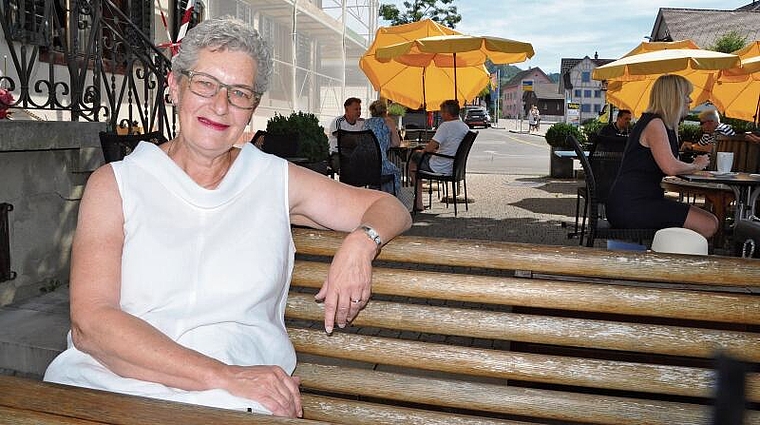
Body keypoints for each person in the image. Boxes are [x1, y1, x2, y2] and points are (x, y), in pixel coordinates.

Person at [43, 17, 411, 419]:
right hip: (114, 382)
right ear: (174, 86)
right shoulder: (115, 185)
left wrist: (361, 243)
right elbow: (92, 323)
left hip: (234, 401)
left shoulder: (272, 178)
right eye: (205, 83)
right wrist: (223, 376)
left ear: (252, 107)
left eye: (239, 93)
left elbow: (389, 207)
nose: (220, 105)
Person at [606, 74, 718, 239]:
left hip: (636, 202)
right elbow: (670, 167)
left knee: (711, 221)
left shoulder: (658, 122)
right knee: (708, 224)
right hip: (632, 205)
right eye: (686, 95)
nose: (690, 100)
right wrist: (696, 165)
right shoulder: (655, 124)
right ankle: (671, 262)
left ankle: (668, 259)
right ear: (674, 98)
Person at [409, 99, 470, 211]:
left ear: (447, 113)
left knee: (414, 160)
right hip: (454, 167)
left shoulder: (445, 126)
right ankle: (418, 200)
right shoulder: (465, 127)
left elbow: (430, 147)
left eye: (442, 112)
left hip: (439, 166)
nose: (441, 115)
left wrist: (422, 152)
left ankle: (418, 202)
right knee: (418, 157)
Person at [363, 99, 401, 194]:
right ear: (385, 111)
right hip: (380, 166)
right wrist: (387, 143)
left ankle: (376, 193)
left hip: (365, 166)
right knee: (396, 171)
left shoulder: (365, 123)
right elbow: (396, 143)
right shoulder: (388, 121)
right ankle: (392, 199)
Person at [327, 97, 364, 170]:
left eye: (360, 109)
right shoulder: (338, 121)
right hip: (338, 154)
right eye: (356, 109)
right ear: (347, 110)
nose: (359, 112)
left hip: (356, 154)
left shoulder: (362, 122)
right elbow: (343, 141)